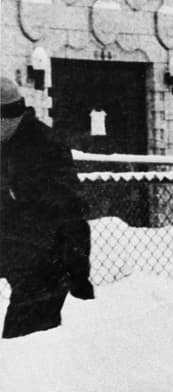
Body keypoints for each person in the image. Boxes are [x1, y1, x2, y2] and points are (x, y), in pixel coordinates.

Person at [1, 76, 93, 339]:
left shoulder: (44, 148)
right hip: (21, 262)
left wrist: (78, 273)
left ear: (6, 116)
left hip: (46, 265)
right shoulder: (7, 145)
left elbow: (71, 212)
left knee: (23, 347)